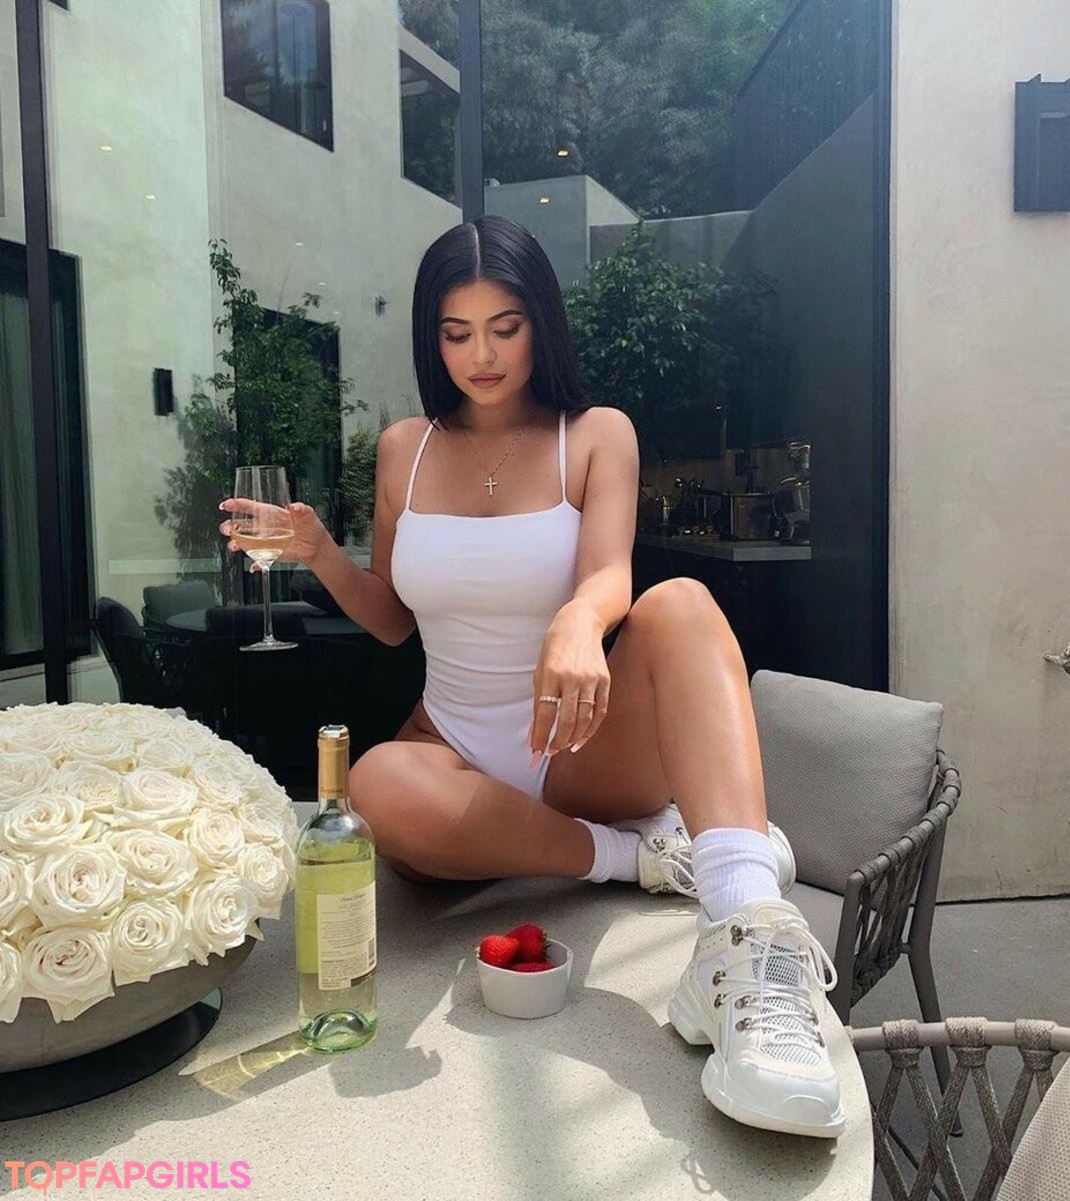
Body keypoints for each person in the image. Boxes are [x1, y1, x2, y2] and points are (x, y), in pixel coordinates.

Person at [220, 215, 843, 1139]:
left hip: (577, 744)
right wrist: (318, 551)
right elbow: (392, 618)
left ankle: (749, 942)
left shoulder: (594, 435)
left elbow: (610, 574)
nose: (481, 355)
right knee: (376, 782)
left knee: (681, 603)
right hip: (453, 754)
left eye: (504, 328)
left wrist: (581, 620)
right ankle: (642, 856)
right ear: (432, 338)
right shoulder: (403, 450)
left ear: (540, 323)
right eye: (456, 332)